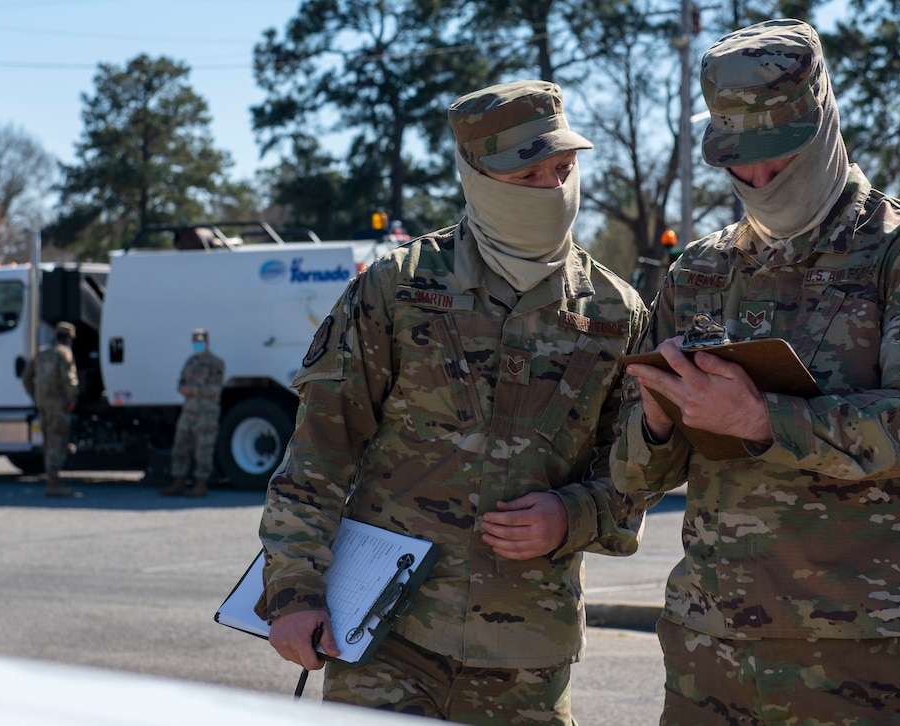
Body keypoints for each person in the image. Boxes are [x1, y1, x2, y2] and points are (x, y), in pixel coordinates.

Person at [611, 19, 900, 725]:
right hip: (711, 647)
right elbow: (632, 476)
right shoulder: (699, 271)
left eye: (776, 158)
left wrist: (765, 421)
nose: (756, 180)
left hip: (859, 649)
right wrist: (660, 420)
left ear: (820, 125)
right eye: (738, 162)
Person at [257, 80, 656, 724]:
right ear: (479, 176)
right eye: (527, 175)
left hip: (527, 649)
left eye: (563, 168)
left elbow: (639, 473)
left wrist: (572, 515)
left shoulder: (617, 313)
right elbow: (320, 452)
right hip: (386, 634)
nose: (553, 190)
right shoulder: (398, 288)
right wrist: (293, 589)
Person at [160, 328, 225, 497]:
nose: (198, 345)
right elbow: (181, 381)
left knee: (203, 449)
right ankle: (179, 482)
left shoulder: (215, 363)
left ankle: (201, 485)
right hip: (189, 411)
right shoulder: (190, 362)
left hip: (206, 413)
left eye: (201, 342)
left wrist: (193, 390)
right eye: (195, 342)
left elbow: (215, 388)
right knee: (180, 446)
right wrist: (182, 388)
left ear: (207, 343)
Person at [22, 321, 81, 498]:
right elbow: (69, 379)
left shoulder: (41, 352)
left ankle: (51, 479)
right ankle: (54, 484)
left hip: (43, 403)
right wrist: (72, 399)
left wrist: (36, 396)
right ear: (69, 338)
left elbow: (26, 377)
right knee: (57, 441)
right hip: (57, 404)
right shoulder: (63, 353)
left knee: (48, 441)